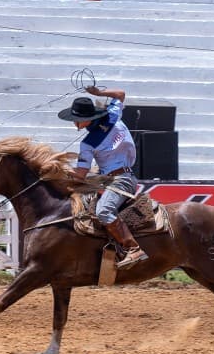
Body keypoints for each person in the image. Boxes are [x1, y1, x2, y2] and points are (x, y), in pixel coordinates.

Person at [57, 85, 148, 269]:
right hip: (124, 176)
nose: (74, 123)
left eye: (76, 120)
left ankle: (133, 248)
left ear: (86, 120)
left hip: (118, 180)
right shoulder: (113, 115)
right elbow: (121, 94)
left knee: (103, 211)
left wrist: (60, 168)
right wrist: (98, 93)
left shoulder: (88, 144)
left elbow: (81, 175)